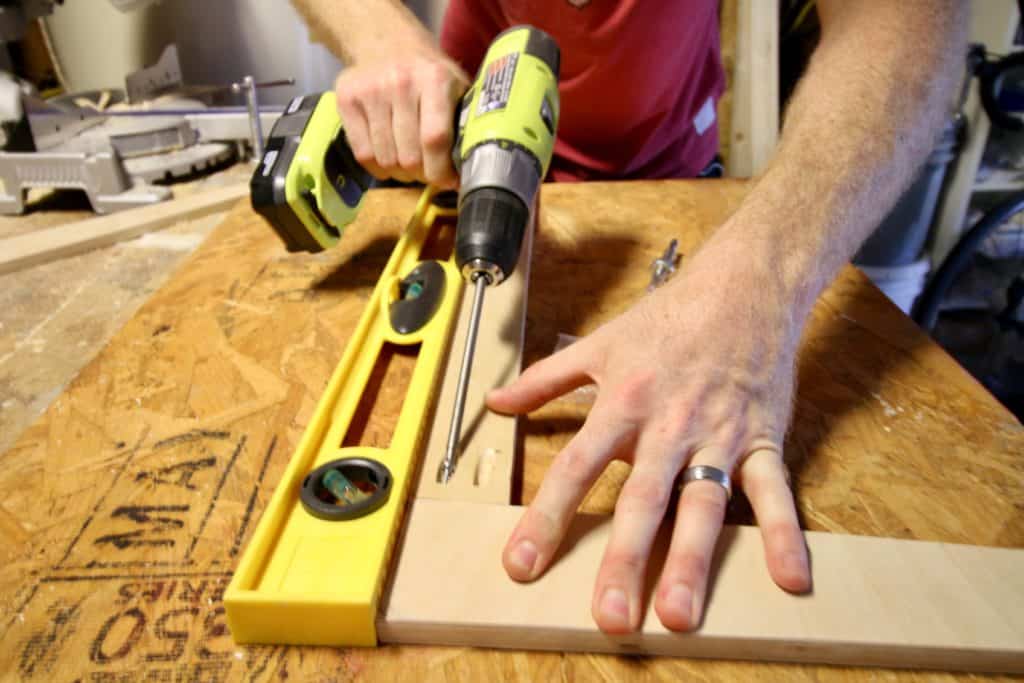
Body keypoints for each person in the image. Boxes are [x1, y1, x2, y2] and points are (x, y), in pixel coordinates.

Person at [293, 0, 967, 635]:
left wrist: (758, 284)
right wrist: (383, 39)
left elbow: (905, 15)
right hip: (477, 143)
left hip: (676, 167)